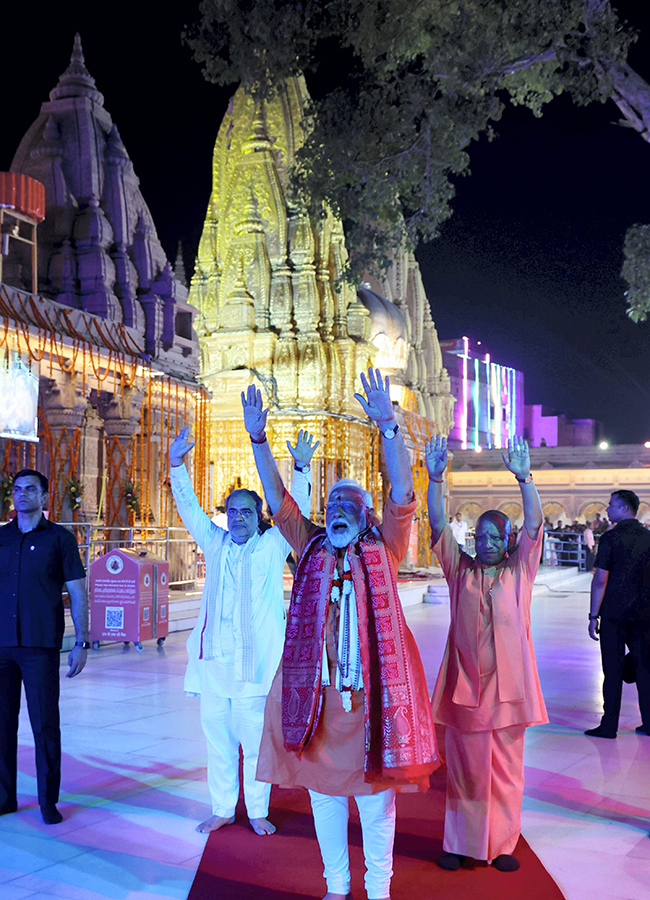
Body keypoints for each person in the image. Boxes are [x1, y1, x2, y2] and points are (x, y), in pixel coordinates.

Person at [243, 368, 438, 900]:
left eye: (347, 506)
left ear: (367, 516)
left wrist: (388, 425)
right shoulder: (309, 547)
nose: (335, 512)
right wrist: (259, 439)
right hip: (317, 703)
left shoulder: (385, 548)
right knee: (324, 802)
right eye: (331, 505)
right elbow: (280, 499)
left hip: (371, 702)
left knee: (376, 805)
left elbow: (403, 491)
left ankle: (379, 891)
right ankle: (336, 886)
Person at [169, 426, 316, 835]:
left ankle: (255, 811)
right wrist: (176, 465)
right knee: (217, 744)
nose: (237, 518)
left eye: (246, 512)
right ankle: (221, 808)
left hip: (254, 671)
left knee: (253, 746)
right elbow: (188, 509)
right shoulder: (213, 543)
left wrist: (301, 468)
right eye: (232, 511)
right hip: (214, 667)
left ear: (259, 517)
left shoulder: (271, 547)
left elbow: (295, 513)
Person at [426, 435, 547, 873]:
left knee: (506, 772)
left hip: (510, 693)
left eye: (497, 535)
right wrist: (435, 477)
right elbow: (437, 524)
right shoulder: (461, 571)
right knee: (466, 772)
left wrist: (523, 478)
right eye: (482, 534)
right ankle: (461, 843)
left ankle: (501, 845)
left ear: (509, 540)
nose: (489, 540)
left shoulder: (520, 571)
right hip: (466, 690)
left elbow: (534, 523)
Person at [0, 469, 88, 825]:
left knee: (45, 725)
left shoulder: (60, 540)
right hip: (2, 646)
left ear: (43, 497)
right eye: (18, 490)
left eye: (30, 490)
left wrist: (81, 641)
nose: (23, 495)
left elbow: (79, 592)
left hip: (40, 646)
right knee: (2, 725)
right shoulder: (1, 538)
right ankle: (4, 798)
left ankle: (47, 801)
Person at [585, 490, 650, 739]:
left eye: (611, 505)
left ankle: (609, 725)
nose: (607, 509)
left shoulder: (610, 538)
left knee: (612, 671)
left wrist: (593, 616)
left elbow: (600, 580)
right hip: (645, 615)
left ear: (624, 509)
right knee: (645, 670)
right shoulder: (648, 537)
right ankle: (649, 722)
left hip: (614, 615)